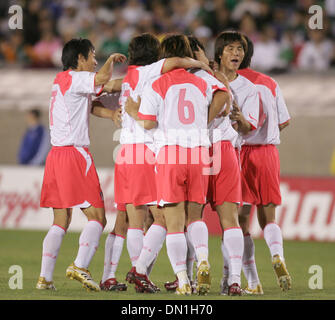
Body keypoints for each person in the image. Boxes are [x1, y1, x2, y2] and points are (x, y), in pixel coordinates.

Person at [109, 33, 213, 294]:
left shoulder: (142, 79)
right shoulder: (196, 82)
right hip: (171, 151)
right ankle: (178, 267)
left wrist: (121, 110)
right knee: (176, 217)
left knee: (147, 217)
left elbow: (144, 115)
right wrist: (203, 65)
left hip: (135, 151)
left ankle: (149, 272)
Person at [130, 34, 229, 295]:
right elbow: (225, 103)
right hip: (198, 153)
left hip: (170, 154)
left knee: (173, 222)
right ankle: (204, 260)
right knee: (195, 217)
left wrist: (133, 112)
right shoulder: (202, 84)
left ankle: (183, 279)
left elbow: (149, 122)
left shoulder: (157, 84)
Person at [36, 38, 126, 291]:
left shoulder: (63, 81)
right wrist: (111, 61)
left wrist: (109, 113)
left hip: (56, 156)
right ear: (79, 59)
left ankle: (45, 278)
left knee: (60, 220)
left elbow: (95, 99)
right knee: (97, 217)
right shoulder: (74, 78)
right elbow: (103, 80)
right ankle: (80, 265)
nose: (96, 61)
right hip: (75, 155)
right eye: (93, 56)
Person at [236, 34, 291, 292]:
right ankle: (277, 254)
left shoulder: (232, 83)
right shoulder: (269, 82)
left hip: (241, 152)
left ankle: (253, 282)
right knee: (269, 216)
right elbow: (284, 121)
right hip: (269, 152)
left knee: (240, 220)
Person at [213, 30, 260, 296]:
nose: (236, 54)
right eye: (231, 49)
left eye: (240, 49)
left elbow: (248, 128)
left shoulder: (250, 88)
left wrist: (240, 118)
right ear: (219, 53)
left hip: (228, 152)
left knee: (230, 220)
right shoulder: (203, 78)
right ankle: (194, 277)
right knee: (187, 217)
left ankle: (231, 279)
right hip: (198, 151)